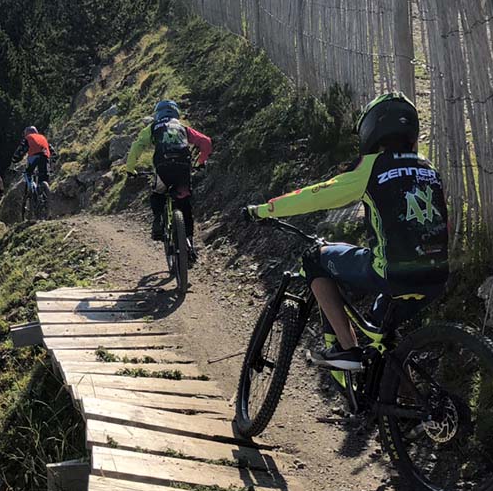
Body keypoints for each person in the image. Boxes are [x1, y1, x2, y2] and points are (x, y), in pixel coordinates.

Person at [245, 93, 450, 371]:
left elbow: (315, 196)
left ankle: (346, 349)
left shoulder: (371, 167)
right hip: (436, 275)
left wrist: (264, 210)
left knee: (315, 259)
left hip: (390, 271)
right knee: (382, 342)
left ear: (372, 130)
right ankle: (401, 406)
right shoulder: (429, 169)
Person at [124, 100, 212, 257]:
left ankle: (158, 220)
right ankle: (189, 244)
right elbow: (206, 142)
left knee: (158, 194)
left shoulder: (153, 127)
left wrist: (130, 169)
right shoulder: (184, 129)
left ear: (158, 114)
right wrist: (200, 162)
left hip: (163, 167)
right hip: (183, 168)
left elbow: (137, 146)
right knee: (185, 205)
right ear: (176, 113)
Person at [11, 125, 54, 193]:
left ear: (27, 133)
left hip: (34, 157)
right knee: (43, 175)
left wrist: (14, 160)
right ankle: (42, 193)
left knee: (28, 173)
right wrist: (53, 158)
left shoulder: (28, 137)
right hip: (45, 156)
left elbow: (20, 150)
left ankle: (32, 190)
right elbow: (51, 149)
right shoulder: (43, 137)